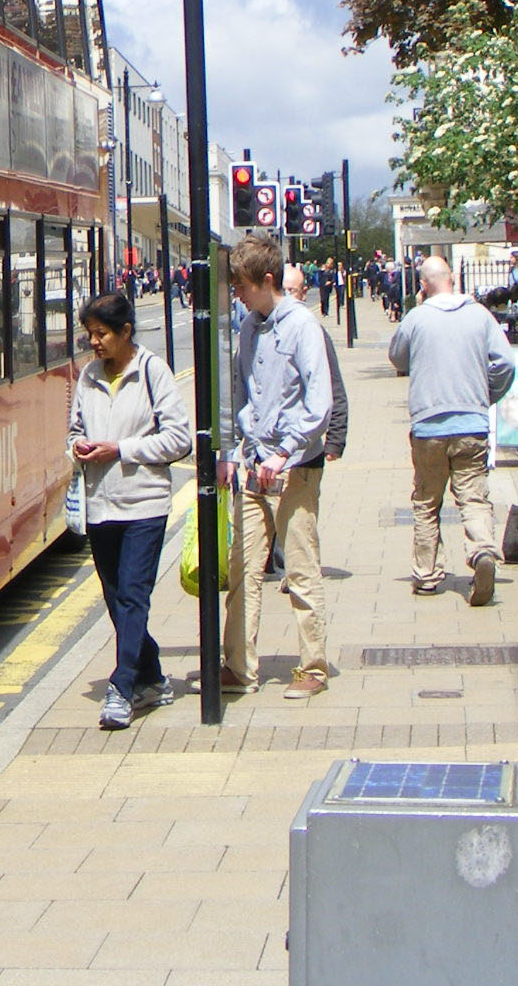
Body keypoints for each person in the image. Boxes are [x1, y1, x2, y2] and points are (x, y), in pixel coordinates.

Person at [68, 290, 193, 729]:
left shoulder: (152, 371)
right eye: (90, 335)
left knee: (135, 595)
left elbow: (180, 439)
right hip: (101, 505)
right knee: (117, 598)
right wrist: (78, 448)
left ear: (125, 332)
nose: (95, 342)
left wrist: (120, 448)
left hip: (144, 503)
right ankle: (153, 676)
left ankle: (121, 687)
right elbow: (75, 429)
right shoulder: (88, 377)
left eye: (102, 334)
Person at [220, 236, 333, 700]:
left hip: (295, 465)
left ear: (268, 281)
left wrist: (285, 451)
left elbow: (319, 402)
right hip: (254, 463)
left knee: (301, 567)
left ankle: (313, 667)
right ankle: (239, 666)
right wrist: (234, 449)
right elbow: (238, 393)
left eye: (243, 286)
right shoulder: (248, 326)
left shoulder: (303, 326)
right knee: (243, 568)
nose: (238, 295)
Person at [389, 255, 516, 604]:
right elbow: (505, 362)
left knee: (427, 502)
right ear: (453, 278)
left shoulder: (417, 317)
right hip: (471, 423)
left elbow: (398, 358)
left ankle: (427, 576)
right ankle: (482, 552)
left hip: (429, 424)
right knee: (474, 497)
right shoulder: (479, 315)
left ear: (423, 284)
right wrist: (487, 395)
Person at [284, 264, 350, 462]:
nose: (287, 297)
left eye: (291, 291)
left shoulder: (311, 330)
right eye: (282, 291)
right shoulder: (259, 328)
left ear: (303, 293)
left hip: (303, 449)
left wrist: (335, 440)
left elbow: (333, 386)